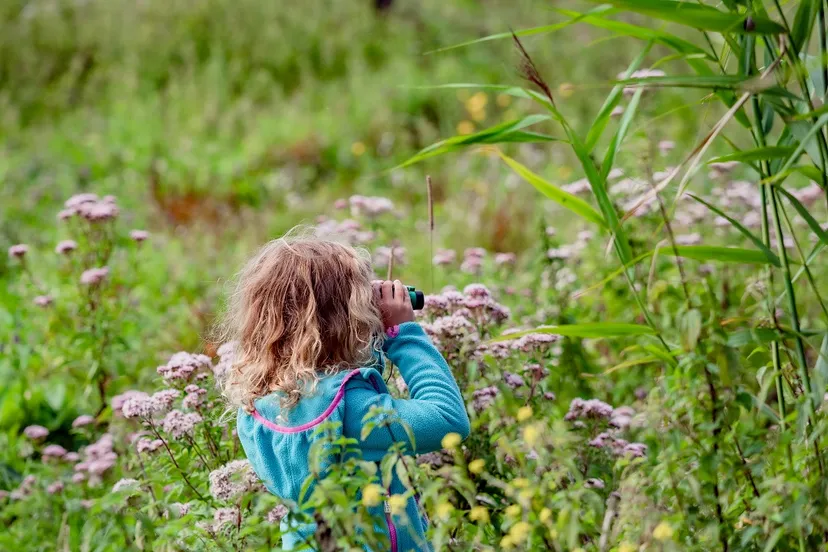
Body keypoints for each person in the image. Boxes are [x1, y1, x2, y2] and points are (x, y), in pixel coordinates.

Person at [219, 230, 470, 551]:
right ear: (347, 320)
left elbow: (336, 380)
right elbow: (448, 419)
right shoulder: (350, 409)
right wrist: (403, 333)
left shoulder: (256, 408)